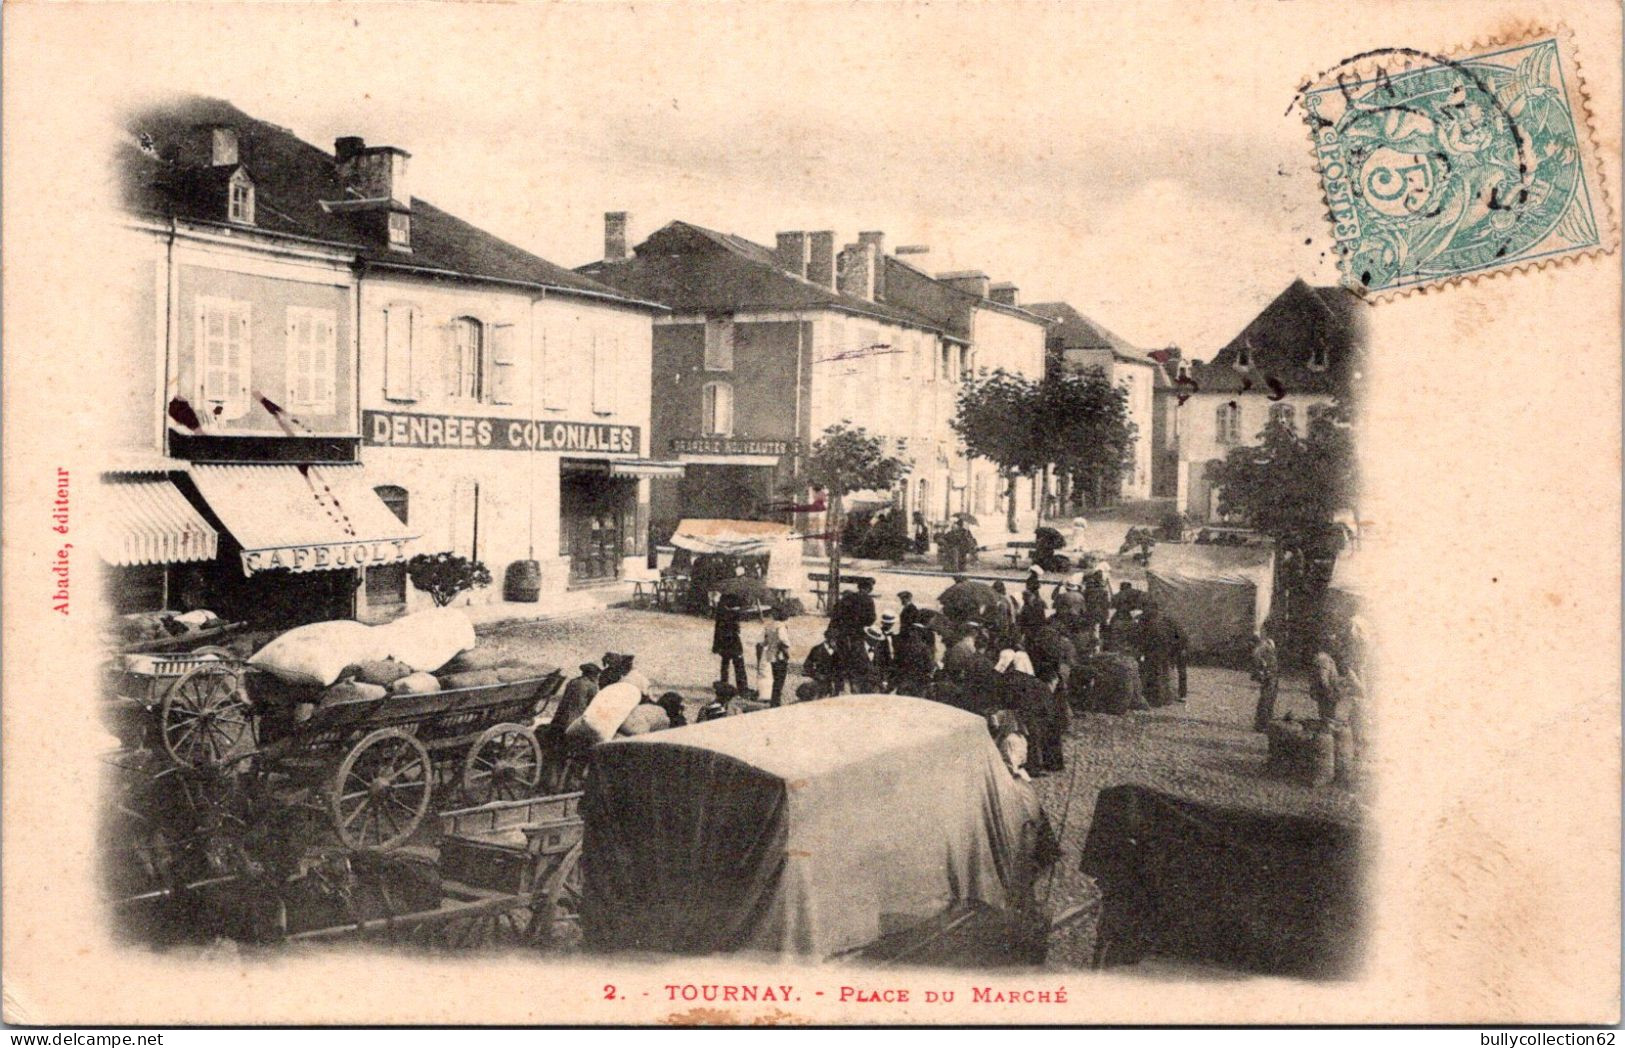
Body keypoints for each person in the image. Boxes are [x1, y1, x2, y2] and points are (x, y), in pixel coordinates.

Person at [543, 662, 599, 782]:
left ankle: (550, 782)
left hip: (559, 722)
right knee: (585, 750)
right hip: (574, 724)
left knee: (556, 753)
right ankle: (572, 782)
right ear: (593, 674)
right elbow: (593, 707)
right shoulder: (592, 686)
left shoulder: (572, 682)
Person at [1137, 601, 1186, 708]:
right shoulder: (1147, 619)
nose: (1145, 611)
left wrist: (1179, 647)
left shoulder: (1164, 620)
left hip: (1165, 649)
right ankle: (1162, 697)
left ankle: (1163, 698)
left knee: (1162, 672)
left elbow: (1179, 634)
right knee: (1159, 673)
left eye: (1146, 609)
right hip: (1157, 649)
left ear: (1154, 609)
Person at [757, 607, 794, 706]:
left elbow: (764, 642)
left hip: (771, 655)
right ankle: (776, 701)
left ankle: (775, 700)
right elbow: (783, 641)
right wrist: (788, 653)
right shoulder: (781, 627)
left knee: (776, 679)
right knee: (780, 680)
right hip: (780, 655)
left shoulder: (769, 626)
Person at [712, 592, 748, 690]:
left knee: (725, 660)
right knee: (738, 661)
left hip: (722, 638)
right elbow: (736, 624)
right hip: (732, 638)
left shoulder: (721, 606)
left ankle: (724, 682)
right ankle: (742, 686)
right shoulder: (732, 608)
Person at [891, 622, 937, 697]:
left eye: (914, 631)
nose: (912, 633)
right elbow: (930, 666)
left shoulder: (903, 646)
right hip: (913, 682)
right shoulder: (924, 648)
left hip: (911, 682)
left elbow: (896, 662)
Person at [1250, 631, 1280, 733]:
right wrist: (1262, 673)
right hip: (1269, 677)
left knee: (1270, 699)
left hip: (1273, 676)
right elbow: (1258, 663)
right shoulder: (1261, 649)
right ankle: (1262, 724)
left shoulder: (1266, 647)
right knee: (1266, 700)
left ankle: (1266, 722)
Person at [803, 630, 841, 698]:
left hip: (835, 685)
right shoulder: (817, 650)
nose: (836, 642)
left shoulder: (838, 651)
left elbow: (841, 667)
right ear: (828, 639)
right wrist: (816, 675)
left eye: (837, 640)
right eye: (834, 639)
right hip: (820, 684)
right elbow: (807, 666)